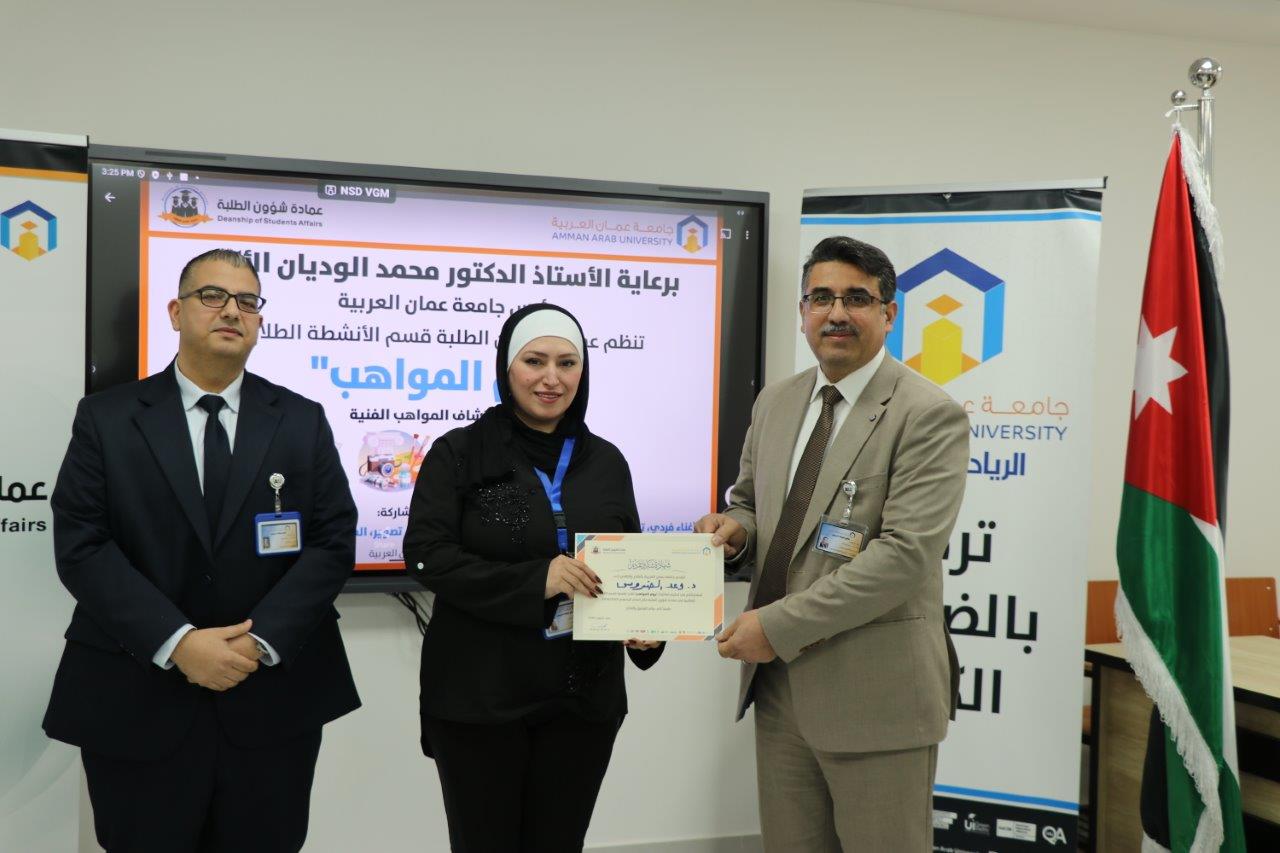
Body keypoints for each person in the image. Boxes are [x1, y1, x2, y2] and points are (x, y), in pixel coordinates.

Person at [44, 248, 360, 853]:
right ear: (175, 312)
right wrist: (178, 642)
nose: (231, 311)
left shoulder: (302, 419)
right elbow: (82, 544)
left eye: (247, 301)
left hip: (270, 700)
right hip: (139, 697)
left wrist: (259, 641)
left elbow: (331, 540)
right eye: (212, 296)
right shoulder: (107, 419)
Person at [696, 236, 968, 851]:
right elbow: (750, 504)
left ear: (888, 313)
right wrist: (735, 533)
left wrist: (776, 627)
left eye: (856, 299)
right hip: (779, 691)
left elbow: (903, 558)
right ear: (802, 311)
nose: (836, 313)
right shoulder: (776, 401)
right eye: (821, 297)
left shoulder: (927, 414)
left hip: (875, 697)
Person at [403, 303, 662, 853]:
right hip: (481, 699)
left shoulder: (607, 461)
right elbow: (427, 556)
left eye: (567, 363)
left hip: (582, 702)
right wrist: (535, 580)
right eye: (535, 361)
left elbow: (631, 564)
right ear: (506, 367)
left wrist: (646, 627)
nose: (551, 378)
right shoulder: (457, 453)